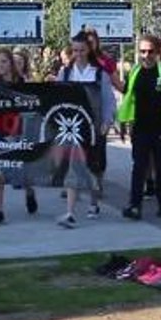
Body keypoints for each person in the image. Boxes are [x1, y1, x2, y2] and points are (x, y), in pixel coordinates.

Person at [56, 32, 117, 228]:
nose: (78, 54)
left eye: (82, 50)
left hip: (94, 127)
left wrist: (107, 121)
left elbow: (109, 100)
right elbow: (57, 99)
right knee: (72, 168)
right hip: (72, 127)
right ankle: (70, 212)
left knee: (94, 167)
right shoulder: (65, 73)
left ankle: (94, 201)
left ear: (89, 49)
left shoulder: (99, 74)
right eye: (75, 50)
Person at [118, 34, 161, 220]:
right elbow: (127, 97)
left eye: (150, 51)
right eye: (142, 51)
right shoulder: (135, 71)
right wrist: (123, 122)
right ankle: (135, 205)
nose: (146, 55)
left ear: (158, 51)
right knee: (139, 167)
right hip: (140, 127)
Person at [0, 49, 37, 226]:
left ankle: (30, 192)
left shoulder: (22, 83)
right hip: (0, 132)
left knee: (24, 170)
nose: (0, 66)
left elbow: (31, 106)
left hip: (20, 131)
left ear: (11, 64)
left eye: (4, 62)